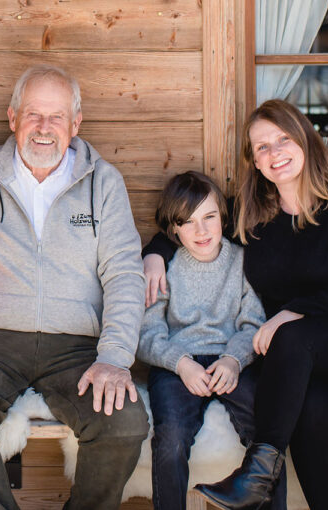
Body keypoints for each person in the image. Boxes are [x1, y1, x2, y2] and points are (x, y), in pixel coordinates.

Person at [144, 99, 328, 509]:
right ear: (254, 161)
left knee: (291, 337)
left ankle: (256, 475)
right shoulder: (251, 212)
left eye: (283, 139)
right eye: (262, 147)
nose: (275, 153)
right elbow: (195, 223)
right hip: (294, 358)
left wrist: (292, 313)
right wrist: (155, 252)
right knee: (310, 407)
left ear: (306, 140)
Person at [0, 64, 150, 510]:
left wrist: (114, 357)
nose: (44, 128)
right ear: (13, 118)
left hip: (77, 345)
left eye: (57, 117)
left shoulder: (103, 183)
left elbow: (125, 273)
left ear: (75, 123)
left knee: (124, 422)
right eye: (33, 114)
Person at [137, 171, 267, 510]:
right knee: (170, 438)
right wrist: (181, 364)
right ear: (174, 229)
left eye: (209, 217)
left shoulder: (243, 261)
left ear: (223, 217)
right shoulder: (165, 266)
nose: (201, 230)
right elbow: (147, 334)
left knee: (266, 434)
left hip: (232, 361)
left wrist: (234, 360)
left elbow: (254, 323)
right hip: (178, 365)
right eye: (188, 222)